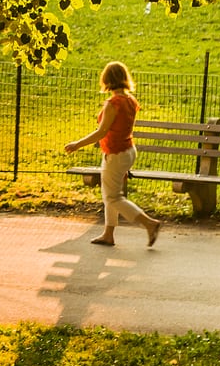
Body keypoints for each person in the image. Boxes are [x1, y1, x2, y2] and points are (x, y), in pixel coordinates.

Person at [63, 60, 161, 247]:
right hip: (128, 150)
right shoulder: (130, 100)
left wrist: (77, 144)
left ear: (106, 79)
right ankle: (108, 234)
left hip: (115, 153)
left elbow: (102, 132)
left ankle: (149, 223)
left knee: (113, 197)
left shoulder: (113, 103)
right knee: (109, 194)